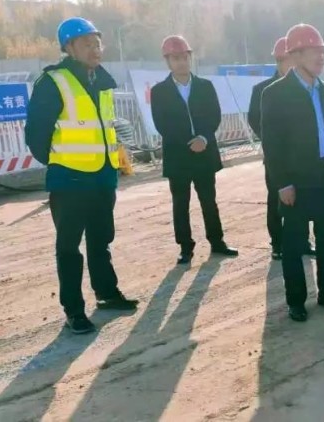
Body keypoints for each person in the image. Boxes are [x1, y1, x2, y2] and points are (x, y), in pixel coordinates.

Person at [25, 17, 138, 334]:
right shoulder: (53, 82)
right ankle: (74, 310)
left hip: (102, 176)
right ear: (69, 47)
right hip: (70, 179)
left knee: (101, 239)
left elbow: (104, 128)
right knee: (69, 247)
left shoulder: (101, 80)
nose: (95, 49)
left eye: (97, 43)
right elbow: (36, 133)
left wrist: (111, 164)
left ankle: (107, 293)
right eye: (87, 43)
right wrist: (59, 161)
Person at [262, 23, 324, 322]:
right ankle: (296, 300)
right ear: (296, 55)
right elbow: (272, 144)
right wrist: (283, 183)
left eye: (322, 51)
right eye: (315, 51)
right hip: (296, 182)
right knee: (294, 244)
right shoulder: (275, 94)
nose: (321, 57)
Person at [150, 35, 239, 264]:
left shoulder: (205, 86)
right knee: (181, 203)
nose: (181, 62)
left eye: (184, 57)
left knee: (209, 200)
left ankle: (217, 241)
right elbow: (162, 124)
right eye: (176, 58)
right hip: (178, 156)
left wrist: (203, 138)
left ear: (190, 58)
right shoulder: (160, 91)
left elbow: (214, 115)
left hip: (204, 153)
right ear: (168, 61)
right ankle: (185, 247)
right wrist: (189, 142)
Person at [248, 37, 291, 260]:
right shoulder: (262, 90)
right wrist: (272, 142)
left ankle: (301, 241)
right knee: (275, 199)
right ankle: (277, 243)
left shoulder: (303, 87)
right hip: (275, 156)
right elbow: (254, 119)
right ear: (279, 61)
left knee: (300, 201)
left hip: (300, 156)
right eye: (285, 60)